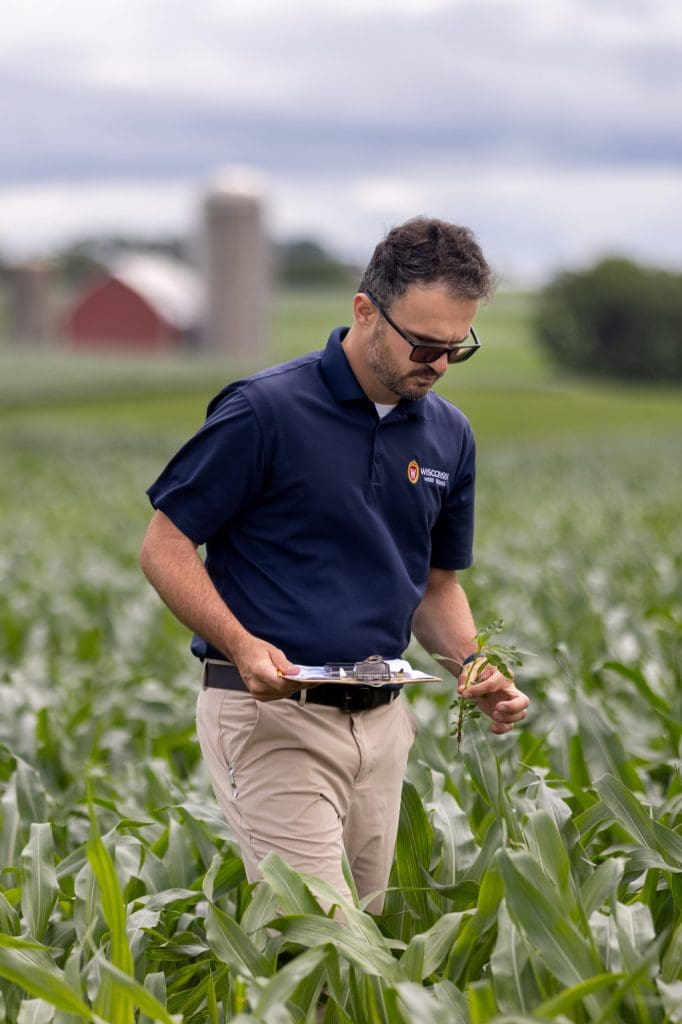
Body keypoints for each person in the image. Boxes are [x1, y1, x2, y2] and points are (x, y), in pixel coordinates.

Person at [139, 216, 529, 913]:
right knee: (317, 939)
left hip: (383, 724)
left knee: (363, 953)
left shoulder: (449, 435)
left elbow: (436, 586)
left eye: (455, 349)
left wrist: (471, 666)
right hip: (273, 716)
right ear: (364, 311)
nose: (437, 365)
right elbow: (164, 545)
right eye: (423, 343)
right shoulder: (264, 411)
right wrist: (241, 643)